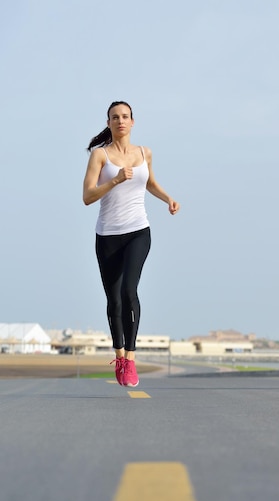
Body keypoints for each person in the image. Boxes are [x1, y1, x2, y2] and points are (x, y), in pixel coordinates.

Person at [83, 101, 180, 387]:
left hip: (139, 230)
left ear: (132, 122)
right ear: (109, 122)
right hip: (107, 236)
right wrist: (114, 181)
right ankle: (120, 355)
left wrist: (167, 198)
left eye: (125, 116)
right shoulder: (100, 156)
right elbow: (87, 197)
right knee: (113, 300)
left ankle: (132, 361)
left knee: (129, 291)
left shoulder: (144, 153)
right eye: (115, 117)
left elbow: (149, 182)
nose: (120, 121)